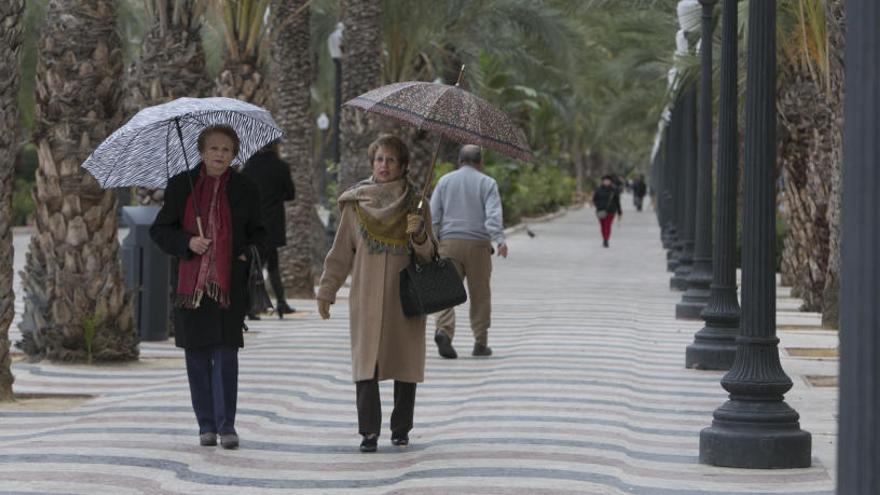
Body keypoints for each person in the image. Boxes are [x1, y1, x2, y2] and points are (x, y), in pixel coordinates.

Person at [316, 134, 435, 453]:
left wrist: (420, 234)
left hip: (405, 297)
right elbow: (341, 252)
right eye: (379, 159)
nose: (384, 165)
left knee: (405, 362)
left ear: (403, 165)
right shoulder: (357, 204)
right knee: (365, 362)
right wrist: (327, 289)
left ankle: (401, 429)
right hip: (366, 297)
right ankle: (369, 431)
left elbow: (429, 256)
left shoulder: (417, 204)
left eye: (391, 160)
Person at [150, 125, 267, 450]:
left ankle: (226, 425)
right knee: (197, 359)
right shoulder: (180, 187)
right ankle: (206, 425)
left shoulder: (245, 188)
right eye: (214, 148)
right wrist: (188, 241)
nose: (219, 154)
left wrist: (245, 253)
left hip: (229, 288)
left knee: (226, 357)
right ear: (202, 151)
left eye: (226, 150)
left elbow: (261, 233)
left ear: (234, 154)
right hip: (191, 291)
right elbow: (160, 231)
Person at [430, 144, 507, 359]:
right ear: (480, 162)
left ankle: (444, 331)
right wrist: (499, 240)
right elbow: (493, 217)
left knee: (446, 291)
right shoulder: (487, 183)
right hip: (479, 245)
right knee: (480, 295)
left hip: (449, 244)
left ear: (459, 161)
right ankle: (480, 342)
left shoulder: (445, 181)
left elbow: (433, 215)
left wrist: (434, 243)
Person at [242, 140, 296, 319]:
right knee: (271, 263)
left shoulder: (249, 165)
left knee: (256, 264)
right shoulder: (281, 166)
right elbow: (291, 194)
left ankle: (251, 306)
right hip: (273, 223)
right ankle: (279, 302)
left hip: (254, 222)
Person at [592, 174, 622, 248]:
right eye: (605, 181)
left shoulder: (614, 190)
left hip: (611, 210)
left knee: (607, 225)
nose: (606, 182)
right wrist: (598, 205)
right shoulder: (598, 189)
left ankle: (606, 240)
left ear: (610, 181)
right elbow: (594, 199)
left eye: (608, 181)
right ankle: (604, 238)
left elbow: (617, 201)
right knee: (602, 225)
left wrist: (619, 211)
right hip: (600, 210)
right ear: (602, 181)